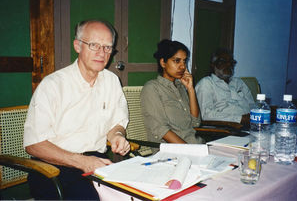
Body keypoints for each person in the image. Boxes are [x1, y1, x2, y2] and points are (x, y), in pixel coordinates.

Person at [23, 19, 130, 200]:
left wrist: (117, 135)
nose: (101, 53)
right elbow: (34, 144)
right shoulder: (53, 85)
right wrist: (81, 162)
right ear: (78, 46)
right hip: (53, 167)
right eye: (94, 45)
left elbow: (117, 123)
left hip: (96, 162)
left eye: (107, 47)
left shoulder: (112, 81)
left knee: (135, 193)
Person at [140, 39, 203, 150]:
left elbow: (196, 122)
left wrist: (190, 89)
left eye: (184, 61)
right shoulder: (152, 88)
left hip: (196, 145)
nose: (183, 66)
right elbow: (161, 129)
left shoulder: (181, 87)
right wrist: (190, 150)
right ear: (163, 62)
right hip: (173, 152)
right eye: (177, 61)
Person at [195, 47, 255, 127]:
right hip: (225, 129)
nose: (228, 65)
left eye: (231, 62)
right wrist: (240, 119)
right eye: (223, 62)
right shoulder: (206, 83)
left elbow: (252, 105)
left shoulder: (239, 82)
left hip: (250, 125)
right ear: (213, 65)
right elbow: (205, 115)